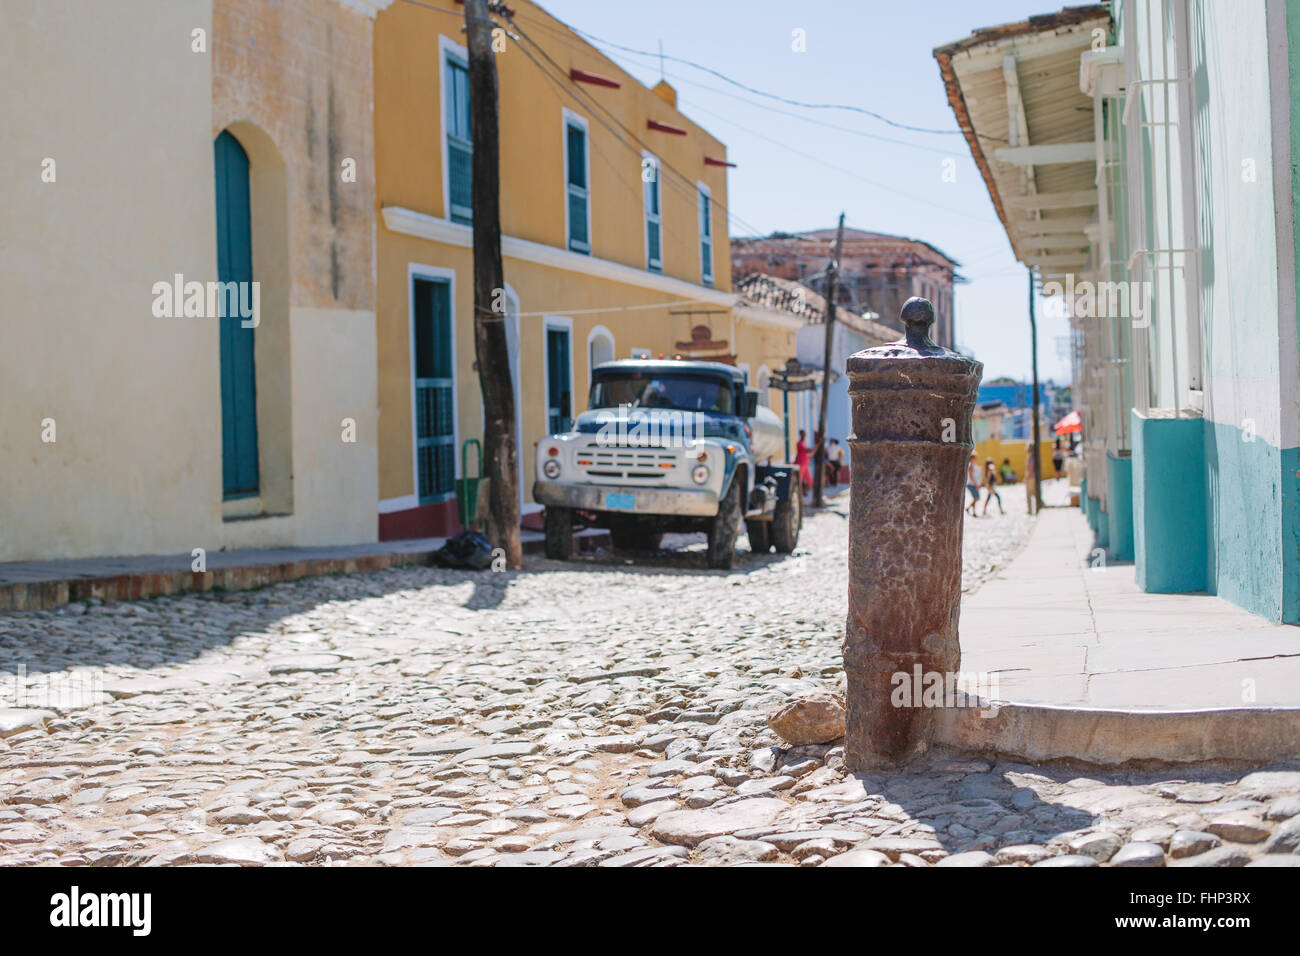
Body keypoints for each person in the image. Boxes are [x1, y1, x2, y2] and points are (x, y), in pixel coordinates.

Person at [1025, 442, 1039, 515]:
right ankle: (1037, 507)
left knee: (1029, 494)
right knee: (1034, 493)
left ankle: (1030, 510)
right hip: (1033, 477)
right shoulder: (1034, 456)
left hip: (1031, 477)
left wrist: (1027, 477)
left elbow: (1030, 468)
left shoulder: (1031, 456)